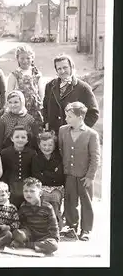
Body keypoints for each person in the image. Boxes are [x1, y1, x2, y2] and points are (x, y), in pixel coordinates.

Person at [58, 102, 101, 241]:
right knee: (70, 201)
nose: (66, 119)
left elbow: (95, 157)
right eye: (66, 116)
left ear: (80, 117)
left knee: (86, 203)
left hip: (84, 176)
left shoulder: (91, 134)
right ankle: (71, 227)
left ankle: (86, 229)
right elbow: (60, 150)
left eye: (70, 116)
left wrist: (90, 176)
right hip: (69, 174)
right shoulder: (63, 130)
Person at [42, 54, 99, 135]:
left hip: (73, 136)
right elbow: (45, 108)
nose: (62, 71)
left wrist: (80, 130)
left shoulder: (83, 88)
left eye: (65, 67)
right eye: (59, 69)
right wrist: (47, 125)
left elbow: (93, 113)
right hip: (53, 134)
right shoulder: (50, 86)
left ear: (72, 67)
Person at [11, 177, 59, 255]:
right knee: (18, 234)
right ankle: (36, 246)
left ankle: (26, 245)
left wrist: (54, 239)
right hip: (29, 236)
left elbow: (54, 227)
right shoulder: (23, 207)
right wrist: (20, 235)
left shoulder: (47, 207)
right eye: (25, 191)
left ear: (40, 193)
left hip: (44, 237)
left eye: (32, 191)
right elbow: (21, 224)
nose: (28, 194)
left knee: (53, 245)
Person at [32, 130, 65, 229]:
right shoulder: (36, 158)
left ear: (54, 146)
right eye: (44, 145)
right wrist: (51, 174)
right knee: (43, 197)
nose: (47, 148)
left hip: (57, 187)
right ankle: (42, 224)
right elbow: (37, 176)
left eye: (50, 145)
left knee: (54, 198)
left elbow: (59, 177)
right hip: (42, 186)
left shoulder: (58, 158)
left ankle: (55, 224)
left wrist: (44, 173)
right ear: (39, 145)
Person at [0, 125, 37, 209]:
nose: (20, 140)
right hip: (10, 182)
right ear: (12, 138)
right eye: (17, 137)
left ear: (27, 140)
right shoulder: (5, 153)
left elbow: (34, 172)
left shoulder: (32, 153)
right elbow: (3, 171)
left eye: (23, 137)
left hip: (26, 182)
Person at [7, 45, 44, 125]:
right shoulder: (14, 75)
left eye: (28, 58)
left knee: (35, 130)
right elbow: (9, 94)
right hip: (20, 108)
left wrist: (41, 106)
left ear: (32, 58)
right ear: (17, 59)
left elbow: (41, 92)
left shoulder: (37, 74)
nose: (25, 61)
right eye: (22, 58)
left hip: (35, 108)